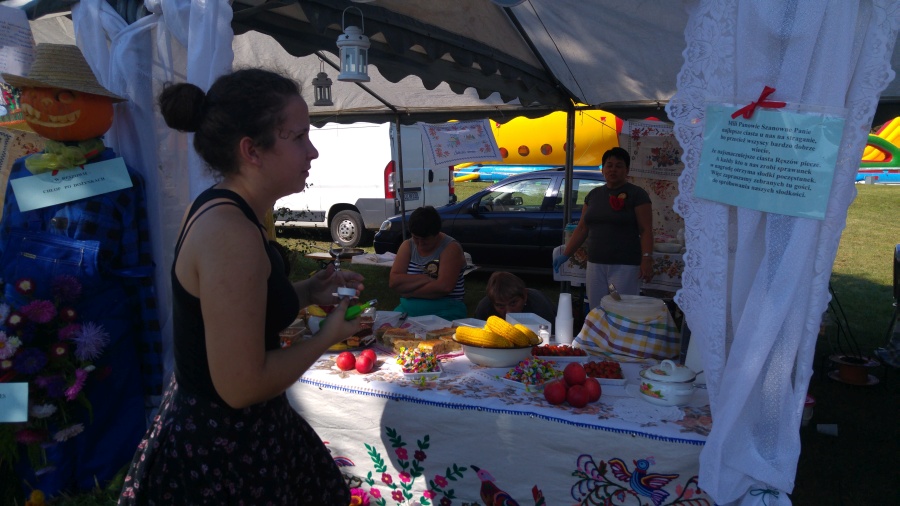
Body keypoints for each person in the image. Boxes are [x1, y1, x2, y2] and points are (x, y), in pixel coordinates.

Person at [118, 69, 363, 505]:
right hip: (223, 453)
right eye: (299, 137)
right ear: (251, 150)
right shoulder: (230, 232)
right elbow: (242, 386)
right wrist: (327, 337)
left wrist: (308, 291)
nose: (313, 151)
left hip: (237, 436)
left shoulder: (229, 210)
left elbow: (238, 307)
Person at [553, 147, 653, 309]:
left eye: (619, 166)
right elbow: (582, 228)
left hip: (625, 265)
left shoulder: (637, 194)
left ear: (627, 170)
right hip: (595, 263)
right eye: (609, 165)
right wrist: (566, 254)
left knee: (620, 309)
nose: (613, 169)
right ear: (603, 169)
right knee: (596, 308)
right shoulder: (593, 195)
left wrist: (647, 258)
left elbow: (646, 229)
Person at [390, 206, 467, 321]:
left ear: (436, 234)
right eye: (416, 238)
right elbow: (394, 281)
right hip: (407, 309)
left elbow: (444, 287)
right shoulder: (407, 246)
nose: (420, 243)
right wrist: (425, 278)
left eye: (425, 239)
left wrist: (409, 292)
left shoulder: (450, 248)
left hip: (445, 311)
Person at [474, 271, 556, 323]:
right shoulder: (484, 309)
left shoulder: (540, 306)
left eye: (513, 303)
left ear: (525, 296)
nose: (508, 312)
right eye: (500, 306)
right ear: (492, 303)